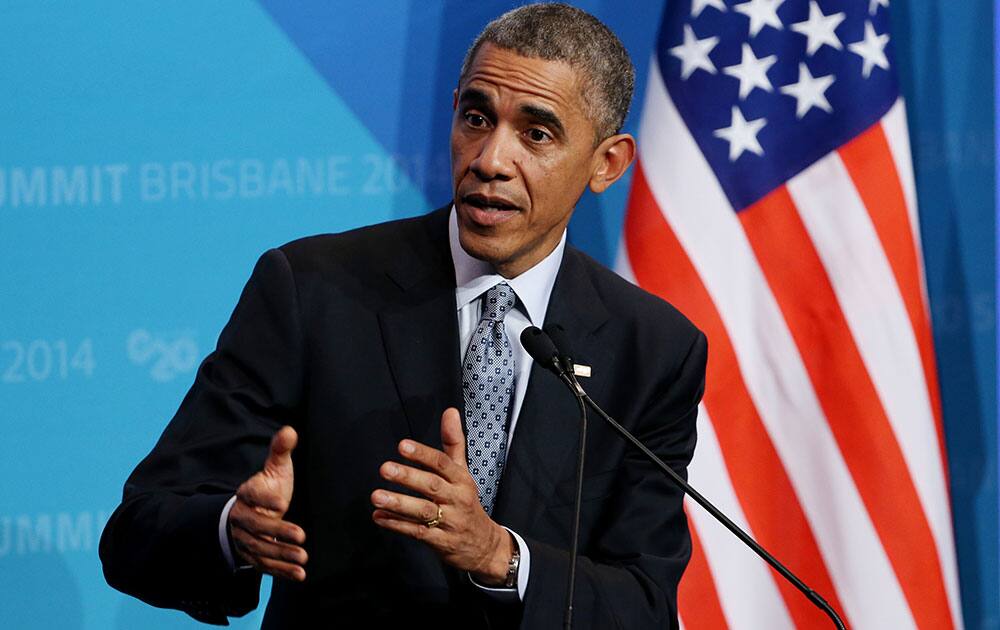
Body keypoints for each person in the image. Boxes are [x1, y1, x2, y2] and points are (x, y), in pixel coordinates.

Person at [100, 4, 707, 628]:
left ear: (607, 162)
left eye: (536, 134)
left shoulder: (653, 349)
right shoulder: (313, 290)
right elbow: (137, 532)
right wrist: (233, 530)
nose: (490, 159)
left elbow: (643, 606)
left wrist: (499, 555)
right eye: (476, 117)